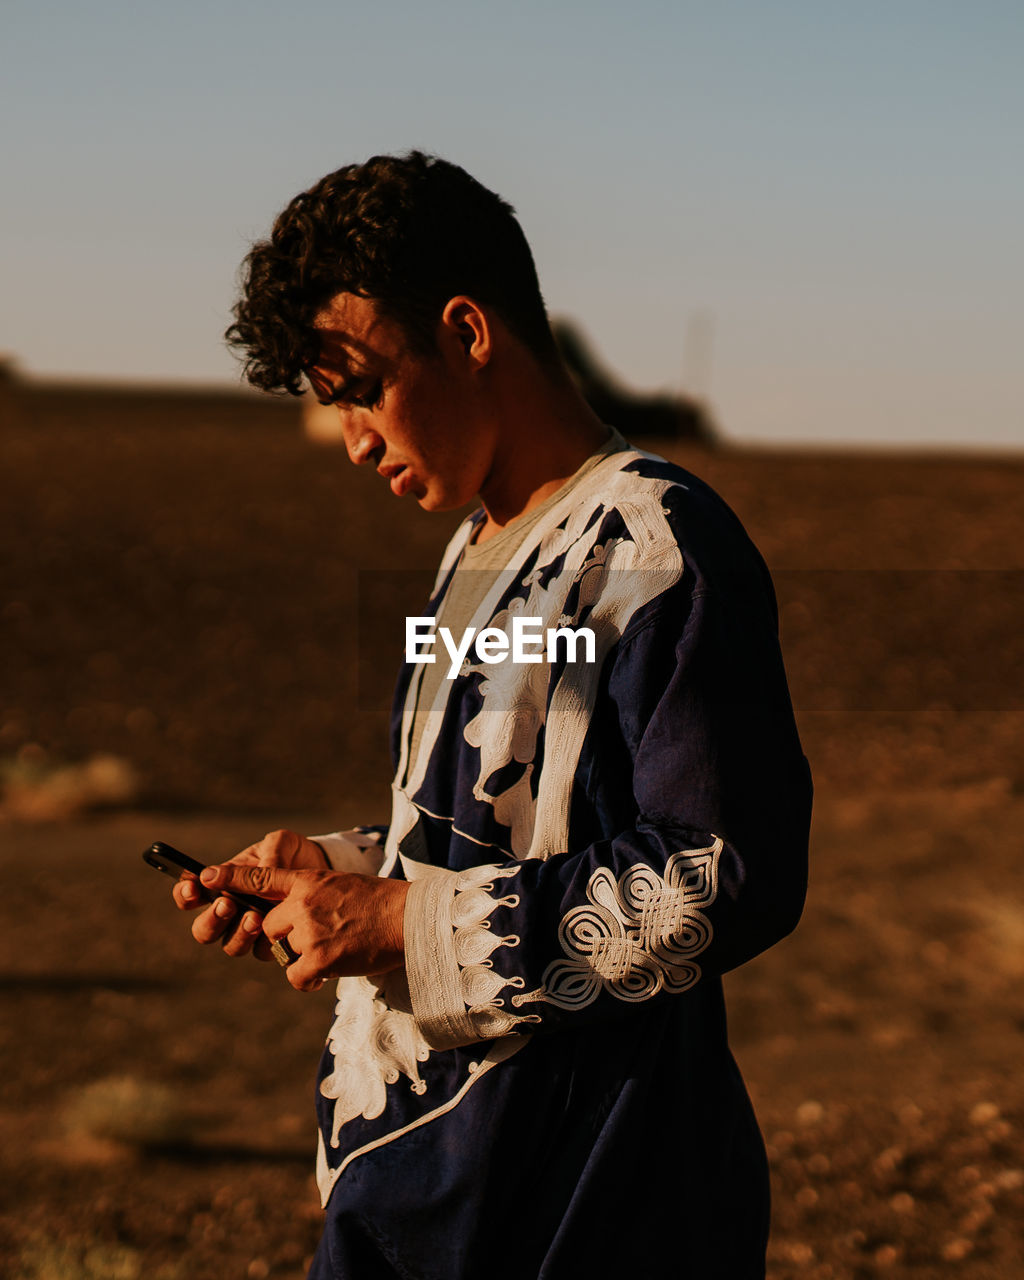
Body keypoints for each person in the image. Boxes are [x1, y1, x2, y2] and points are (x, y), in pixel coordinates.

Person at [173, 151, 811, 1279]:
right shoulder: (464, 560)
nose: (355, 441)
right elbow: (495, 833)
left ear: (468, 332)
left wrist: (400, 925)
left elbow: (723, 871)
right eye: (333, 408)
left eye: (364, 389)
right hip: (417, 1199)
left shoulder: (656, 548)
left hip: (586, 1205)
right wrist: (331, 874)